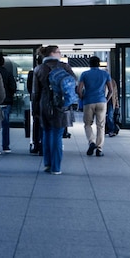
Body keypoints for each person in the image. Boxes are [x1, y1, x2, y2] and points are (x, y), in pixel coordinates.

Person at [32, 45, 76, 175]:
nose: (60, 54)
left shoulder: (39, 69)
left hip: (44, 105)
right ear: (52, 53)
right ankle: (56, 167)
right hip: (61, 106)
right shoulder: (64, 67)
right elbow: (74, 82)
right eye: (59, 52)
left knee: (46, 133)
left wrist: (35, 110)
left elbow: (35, 93)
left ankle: (47, 164)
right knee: (57, 135)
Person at [77, 56, 113, 157]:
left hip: (88, 101)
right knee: (101, 126)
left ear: (89, 64)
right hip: (101, 101)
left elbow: (79, 89)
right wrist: (106, 100)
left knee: (87, 124)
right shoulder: (105, 74)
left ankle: (91, 142)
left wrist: (82, 97)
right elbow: (111, 90)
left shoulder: (85, 74)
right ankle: (99, 149)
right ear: (99, 63)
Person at [0, 54, 16, 154]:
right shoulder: (8, 73)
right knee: (5, 124)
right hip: (6, 101)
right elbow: (13, 87)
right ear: (3, 63)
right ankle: (6, 146)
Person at [27, 54, 43, 156]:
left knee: (36, 123)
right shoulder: (50, 71)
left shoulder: (32, 73)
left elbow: (29, 88)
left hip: (36, 102)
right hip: (48, 102)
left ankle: (36, 144)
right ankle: (44, 146)